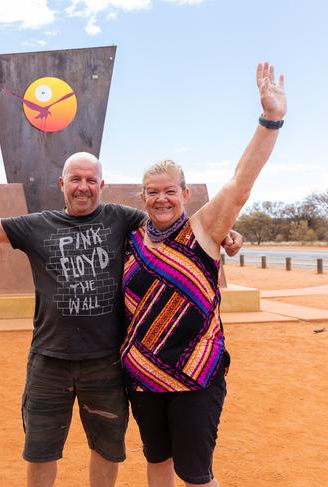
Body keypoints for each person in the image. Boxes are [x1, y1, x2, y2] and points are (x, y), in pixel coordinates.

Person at [0, 152, 241, 486]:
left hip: (106, 363)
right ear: (62, 184)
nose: (83, 187)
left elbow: (171, 223)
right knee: (41, 450)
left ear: (101, 185)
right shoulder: (38, 225)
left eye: (90, 180)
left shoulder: (124, 218)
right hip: (49, 359)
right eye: (75, 179)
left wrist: (227, 234)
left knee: (105, 449)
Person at [120, 62, 286, 487]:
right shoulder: (131, 241)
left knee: (195, 475)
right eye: (152, 192)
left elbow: (239, 185)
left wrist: (271, 120)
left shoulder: (204, 230)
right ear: (142, 196)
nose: (161, 198)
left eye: (170, 190)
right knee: (156, 463)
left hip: (196, 375)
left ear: (185, 193)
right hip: (143, 376)